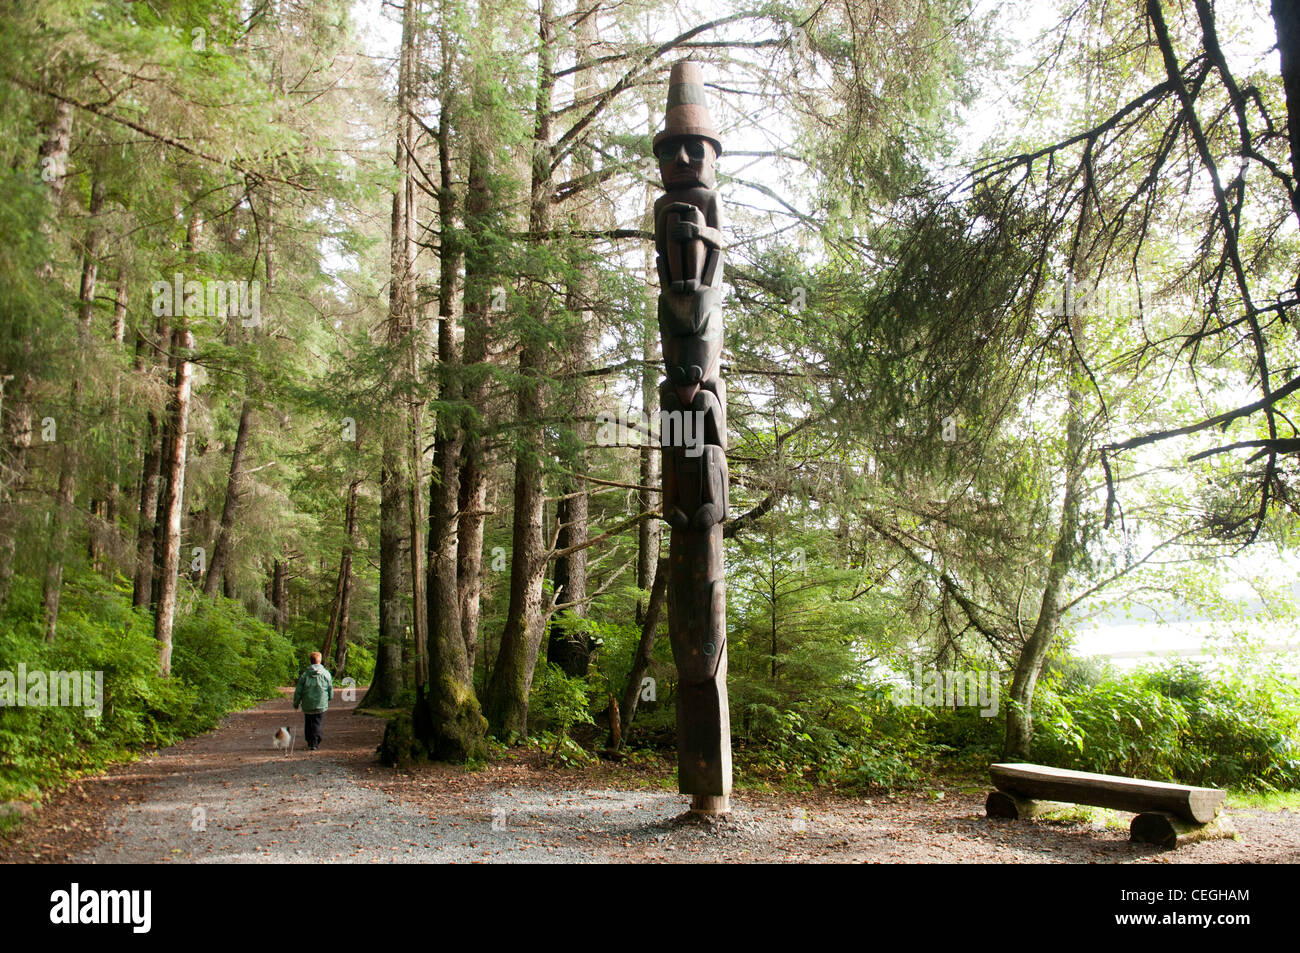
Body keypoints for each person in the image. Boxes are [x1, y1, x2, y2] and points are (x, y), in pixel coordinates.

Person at [292, 652, 334, 751]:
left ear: (310, 661)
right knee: (317, 722)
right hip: (321, 703)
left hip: (307, 703)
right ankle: (315, 742)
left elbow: (299, 690)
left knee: (308, 722)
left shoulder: (305, 675)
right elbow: (330, 687)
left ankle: (310, 741)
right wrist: (330, 697)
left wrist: (296, 702)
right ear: (320, 660)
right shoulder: (326, 674)